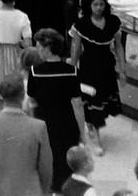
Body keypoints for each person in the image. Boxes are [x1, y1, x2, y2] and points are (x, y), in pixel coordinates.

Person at [0, 74, 53, 196]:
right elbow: (46, 169)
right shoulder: (39, 127)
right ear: (23, 94)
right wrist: (43, 192)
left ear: (1, 95)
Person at [27, 28, 86, 192]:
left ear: (47, 48)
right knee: (66, 164)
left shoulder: (35, 72)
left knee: (45, 163)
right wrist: (82, 132)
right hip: (67, 125)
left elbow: (32, 103)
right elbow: (77, 105)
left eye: (39, 46)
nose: (37, 49)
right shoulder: (72, 72)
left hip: (43, 125)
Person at [69, 0, 123, 156]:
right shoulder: (82, 24)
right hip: (89, 67)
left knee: (101, 101)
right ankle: (96, 137)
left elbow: (119, 46)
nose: (99, 8)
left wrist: (123, 68)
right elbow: (76, 48)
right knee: (94, 100)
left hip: (107, 66)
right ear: (89, 6)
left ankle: (92, 126)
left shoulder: (113, 22)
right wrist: (72, 68)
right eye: (95, 5)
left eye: (101, 4)